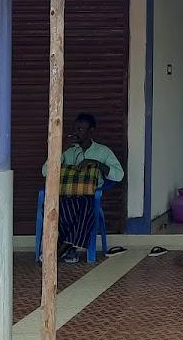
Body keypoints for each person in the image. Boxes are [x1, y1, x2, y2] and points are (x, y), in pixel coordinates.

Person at [42, 113, 124, 263]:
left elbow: (119, 175)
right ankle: (69, 248)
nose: (76, 132)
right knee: (60, 207)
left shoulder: (102, 151)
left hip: (89, 196)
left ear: (91, 131)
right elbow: (45, 172)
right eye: (75, 128)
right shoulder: (67, 150)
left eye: (80, 129)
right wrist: (59, 150)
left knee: (86, 205)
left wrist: (97, 164)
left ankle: (60, 250)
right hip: (66, 195)